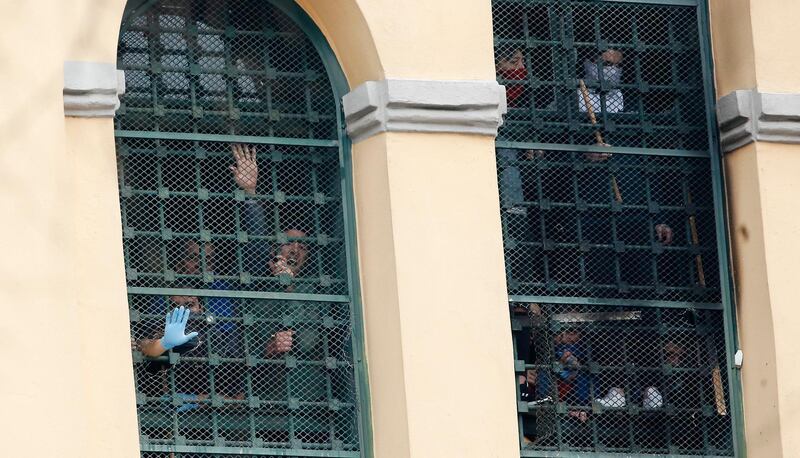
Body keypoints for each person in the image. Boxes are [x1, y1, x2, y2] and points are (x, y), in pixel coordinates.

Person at [229, 144, 352, 443]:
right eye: (287, 243)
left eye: (302, 246)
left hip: (314, 414)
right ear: (275, 250)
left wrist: (288, 288)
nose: (295, 249)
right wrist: (251, 195)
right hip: (266, 411)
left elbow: (310, 339)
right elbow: (255, 240)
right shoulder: (258, 286)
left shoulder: (319, 288)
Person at [578, 49, 625, 114]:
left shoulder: (619, 96)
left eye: (618, 65)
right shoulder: (578, 97)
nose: (614, 70)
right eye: (608, 64)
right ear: (588, 63)